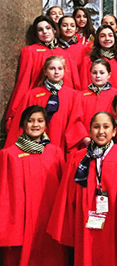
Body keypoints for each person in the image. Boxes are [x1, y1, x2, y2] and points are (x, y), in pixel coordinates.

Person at [48, 112, 117, 266]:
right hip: (85, 220)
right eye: (96, 127)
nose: (101, 131)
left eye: (106, 127)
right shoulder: (78, 158)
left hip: (115, 222)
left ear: (114, 131)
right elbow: (67, 197)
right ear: (89, 131)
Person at [0, 106, 67, 266]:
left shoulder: (55, 153)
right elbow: (4, 195)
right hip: (22, 220)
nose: (35, 125)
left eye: (40, 121)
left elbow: (63, 190)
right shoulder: (9, 154)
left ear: (46, 125)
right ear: (22, 125)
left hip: (49, 219)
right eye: (30, 121)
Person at [7, 15, 81, 123]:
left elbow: (75, 82)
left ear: (54, 30)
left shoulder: (66, 53)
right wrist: (15, 109)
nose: (45, 32)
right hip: (39, 100)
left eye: (48, 28)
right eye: (40, 30)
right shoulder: (30, 51)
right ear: (36, 33)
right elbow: (24, 80)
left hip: (65, 102)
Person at [6, 56, 84, 156]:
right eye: (52, 68)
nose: (56, 72)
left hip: (62, 143)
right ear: (45, 71)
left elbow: (76, 122)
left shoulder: (73, 95)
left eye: (60, 68)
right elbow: (20, 123)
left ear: (64, 71)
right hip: (36, 145)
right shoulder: (32, 95)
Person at [75, 59, 117, 138]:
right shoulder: (81, 96)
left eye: (102, 73)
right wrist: (85, 138)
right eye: (94, 73)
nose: (98, 76)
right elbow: (76, 121)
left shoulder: (116, 95)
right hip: (87, 141)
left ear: (109, 75)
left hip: (110, 139)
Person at [80, 25, 117, 89]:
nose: (107, 39)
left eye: (110, 35)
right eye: (103, 36)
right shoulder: (88, 60)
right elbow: (84, 85)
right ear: (98, 39)